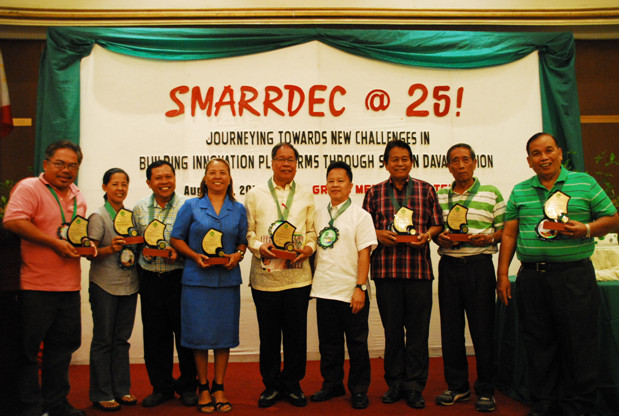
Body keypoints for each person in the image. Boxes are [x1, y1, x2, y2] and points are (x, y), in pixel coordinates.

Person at [497, 132, 619, 416]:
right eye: (537, 154)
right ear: (529, 161)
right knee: (538, 343)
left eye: (549, 151)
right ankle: (543, 403)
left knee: (580, 343)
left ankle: (579, 406)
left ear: (560, 153)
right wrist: (503, 274)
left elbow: (613, 219)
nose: (544, 157)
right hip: (532, 278)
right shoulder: (520, 191)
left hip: (574, 277)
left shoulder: (585, 183)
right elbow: (509, 233)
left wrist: (586, 229)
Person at [3, 140, 87, 416]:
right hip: (35, 286)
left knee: (62, 349)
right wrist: (53, 243)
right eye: (60, 163)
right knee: (28, 353)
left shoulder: (78, 196)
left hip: (69, 286)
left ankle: (57, 403)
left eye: (72, 165)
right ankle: (30, 407)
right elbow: (13, 220)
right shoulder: (29, 188)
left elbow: (72, 234)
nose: (66, 170)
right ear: (46, 164)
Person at [362, 139, 443, 409]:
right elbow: (363, 230)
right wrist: (377, 234)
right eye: (394, 159)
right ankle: (395, 383)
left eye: (405, 158)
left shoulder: (426, 190)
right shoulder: (374, 193)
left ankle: (415, 386)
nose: (400, 163)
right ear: (385, 163)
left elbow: (437, 224)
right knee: (393, 332)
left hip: (418, 272)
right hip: (386, 272)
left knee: (418, 332)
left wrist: (427, 236)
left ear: (412, 161)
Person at [170, 158, 247, 414]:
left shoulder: (238, 209)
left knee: (223, 338)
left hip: (227, 281)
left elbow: (242, 241)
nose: (217, 176)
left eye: (222, 172)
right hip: (196, 281)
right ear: (204, 178)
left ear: (229, 177)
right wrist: (194, 256)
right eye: (212, 172)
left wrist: (237, 255)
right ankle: (202, 387)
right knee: (199, 337)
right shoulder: (191, 206)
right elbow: (175, 239)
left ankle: (219, 386)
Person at [433, 143, 505, 412]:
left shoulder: (491, 193)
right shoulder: (440, 196)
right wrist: (437, 236)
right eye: (454, 161)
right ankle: (458, 387)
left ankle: (486, 389)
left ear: (475, 163)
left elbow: (503, 231)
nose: (460, 165)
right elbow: (435, 229)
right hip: (449, 266)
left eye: (465, 160)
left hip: (479, 266)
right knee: (451, 330)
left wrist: (489, 237)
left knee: (483, 330)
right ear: (449, 166)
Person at [245, 143, 316, 408]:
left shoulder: (307, 196)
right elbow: (248, 232)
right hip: (265, 278)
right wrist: (258, 247)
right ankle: (272, 385)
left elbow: (311, 232)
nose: (286, 164)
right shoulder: (255, 195)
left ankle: (293, 383)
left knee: (297, 335)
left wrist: (308, 248)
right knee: (270, 336)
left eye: (291, 159)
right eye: (281, 159)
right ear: (272, 163)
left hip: (298, 277)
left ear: (297, 163)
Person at [309, 161, 377, 409]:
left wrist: (360, 288)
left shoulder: (361, 216)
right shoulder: (318, 215)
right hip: (324, 288)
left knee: (357, 344)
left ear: (351, 186)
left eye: (340, 180)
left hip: (352, 292)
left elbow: (364, 254)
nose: (335, 185)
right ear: (325, 185)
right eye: (331, 180)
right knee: (328, 343)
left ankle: (359, 389)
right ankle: (332, 384)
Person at [133, 160, 197, 407]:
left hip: (180, 279)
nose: (165, 182)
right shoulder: (139, 209)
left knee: (185, 335)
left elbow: (196, 243)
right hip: (150, 279)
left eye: (168, 176)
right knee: (155, 336)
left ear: (175, 178)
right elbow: (137, 243)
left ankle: (189, 386)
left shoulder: (187, 206)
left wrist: (178, 253)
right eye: (158, 178)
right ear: (149, 182)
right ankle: (161, 387)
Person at [87, 168, 139, 411]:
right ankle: (102, 393)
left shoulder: (131, 217)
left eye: (124, 184)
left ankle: (122, 390)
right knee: (103, 340)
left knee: (121, 340)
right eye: (115, 183)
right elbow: (91, 254)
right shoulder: (98, 217)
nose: (120, 188)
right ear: (105, 187)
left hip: (129, 286)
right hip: (104, 285)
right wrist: (111, 248)